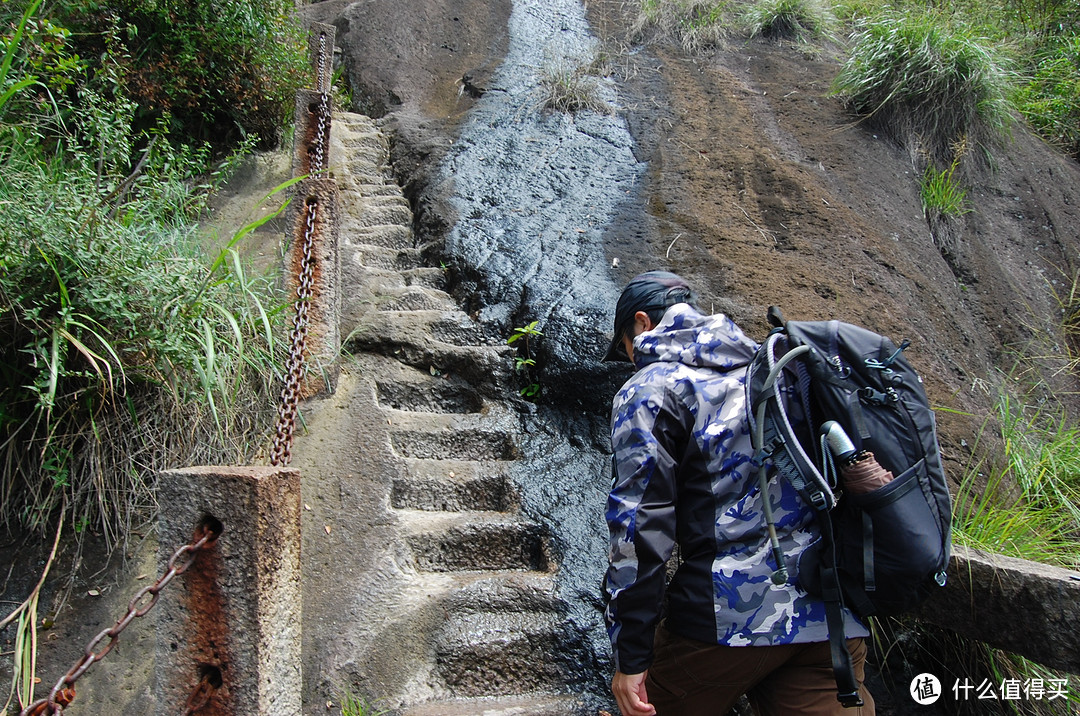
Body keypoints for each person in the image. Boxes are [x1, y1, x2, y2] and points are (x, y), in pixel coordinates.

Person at [601, 271, 875, 716]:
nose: (629, 359)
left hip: (726, 621)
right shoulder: (771, 368)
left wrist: (630, 655)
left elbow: (638, 526)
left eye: (624, 347)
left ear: (641, 324)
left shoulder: (651, 387)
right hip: (830, 621)